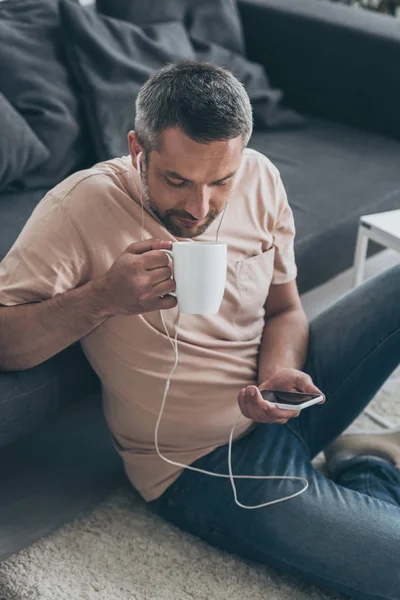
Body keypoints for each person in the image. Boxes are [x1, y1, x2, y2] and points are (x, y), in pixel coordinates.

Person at [0, 61, 399, 600]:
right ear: (139, 151)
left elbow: (285, 309)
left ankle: (360, 459)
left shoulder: (260, 177)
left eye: (220, 182)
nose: (199, 207)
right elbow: (6, 343)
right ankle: (370, 465)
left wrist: (279, 374)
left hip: (280, 403)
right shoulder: (80, 207)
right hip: (200, 467)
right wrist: (102, 299)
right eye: (177, 180)